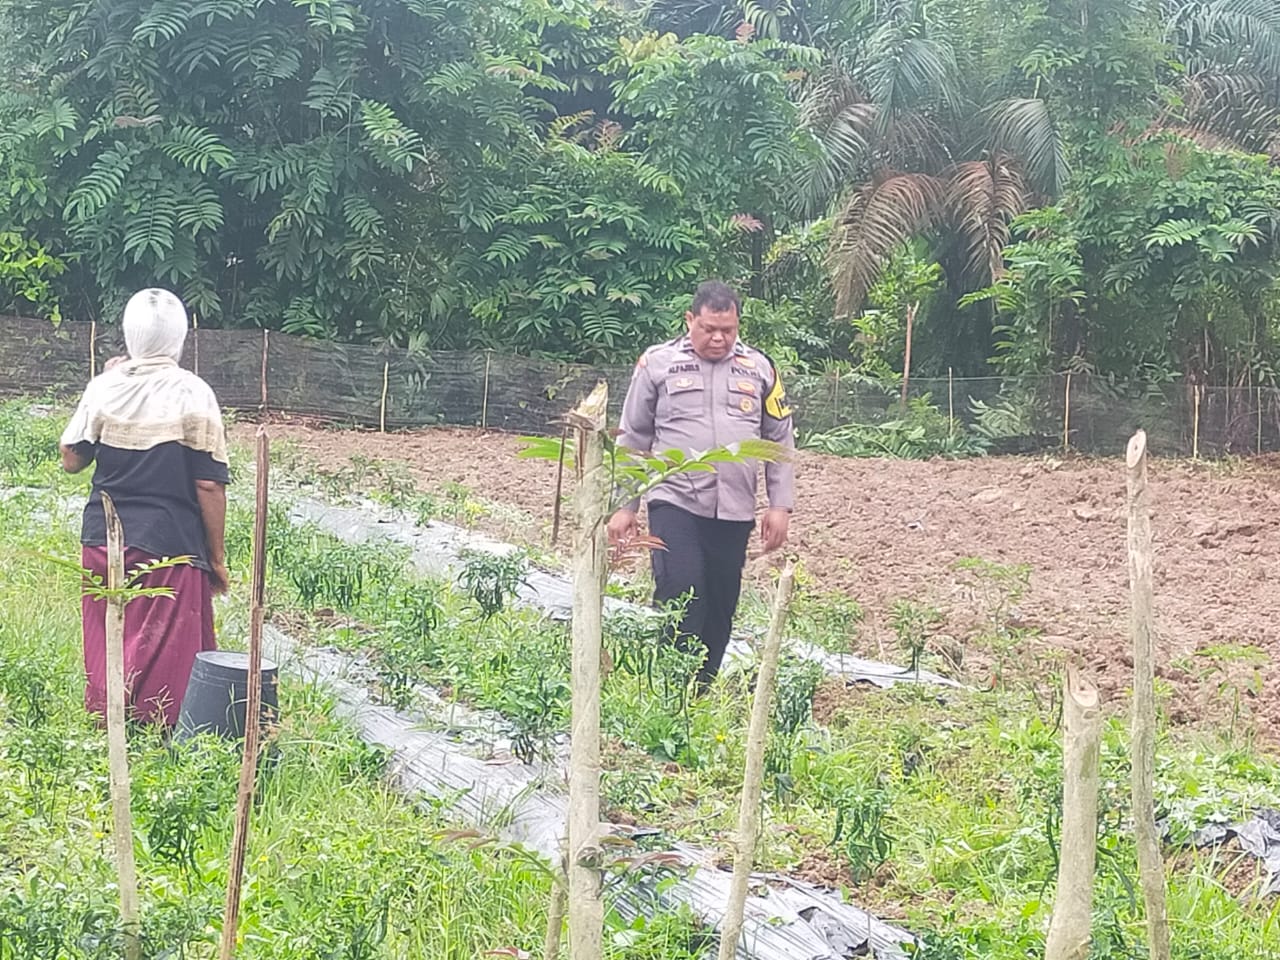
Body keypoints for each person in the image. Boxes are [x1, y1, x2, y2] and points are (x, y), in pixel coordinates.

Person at [608, 280, 795, 687]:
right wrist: (624, 506)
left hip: (734, 508)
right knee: (682, 590)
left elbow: (779, 437)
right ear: (690, 320)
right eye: (709, 328)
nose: (718, 338)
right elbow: (633, 437)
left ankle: (699, 695)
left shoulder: (760, 368)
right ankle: (670, 690)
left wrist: (779, 505)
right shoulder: (657, 364)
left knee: (720, 606)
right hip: (674, 499)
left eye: (728, 330)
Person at [59, 288, 231, 727]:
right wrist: (216, 559)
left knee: (109, 641)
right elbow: (209, 483)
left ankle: (108, 730)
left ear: (129, 336)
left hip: (102, 540)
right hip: (169, 545)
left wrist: (99, 385)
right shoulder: (193, 393)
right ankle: (158, 743)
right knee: (167, 661)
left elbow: (72, 459)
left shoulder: (104, 387)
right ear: (180, 338)